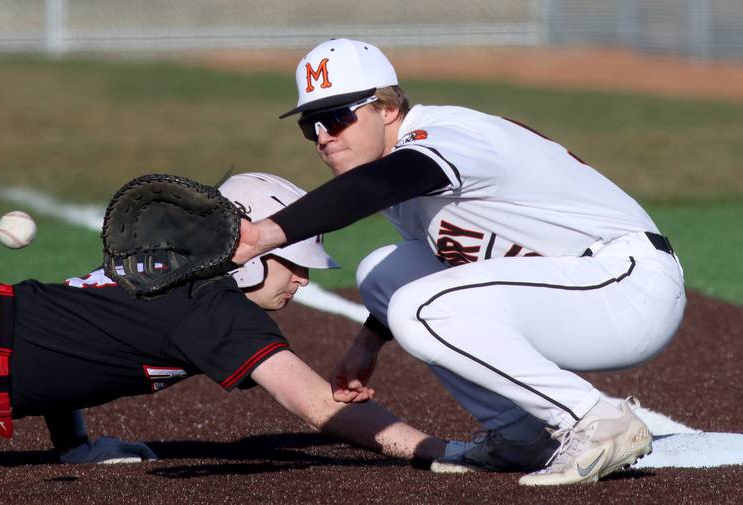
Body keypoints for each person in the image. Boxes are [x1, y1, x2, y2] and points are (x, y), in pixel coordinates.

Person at [232, 39, 687, 486]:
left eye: (336, 117)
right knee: (383, 275)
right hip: (576, 285)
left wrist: (262, 234)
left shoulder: (448, 136)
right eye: (310, 125)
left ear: (387, 108)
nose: (323, 137)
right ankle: (518, 435)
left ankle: (598, 419)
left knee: (420, 309)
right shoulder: (393, 162)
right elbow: (433, 251)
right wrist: (368, 343)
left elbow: (379, 185)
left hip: (627, 285)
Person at [0, 172, 449, 466]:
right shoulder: (212, 307)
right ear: (248, 253)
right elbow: (319, 406)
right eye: (295, 263)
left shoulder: (164, 271)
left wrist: (77, 446)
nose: (302, 281)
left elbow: (66, 328)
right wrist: (441, 451)